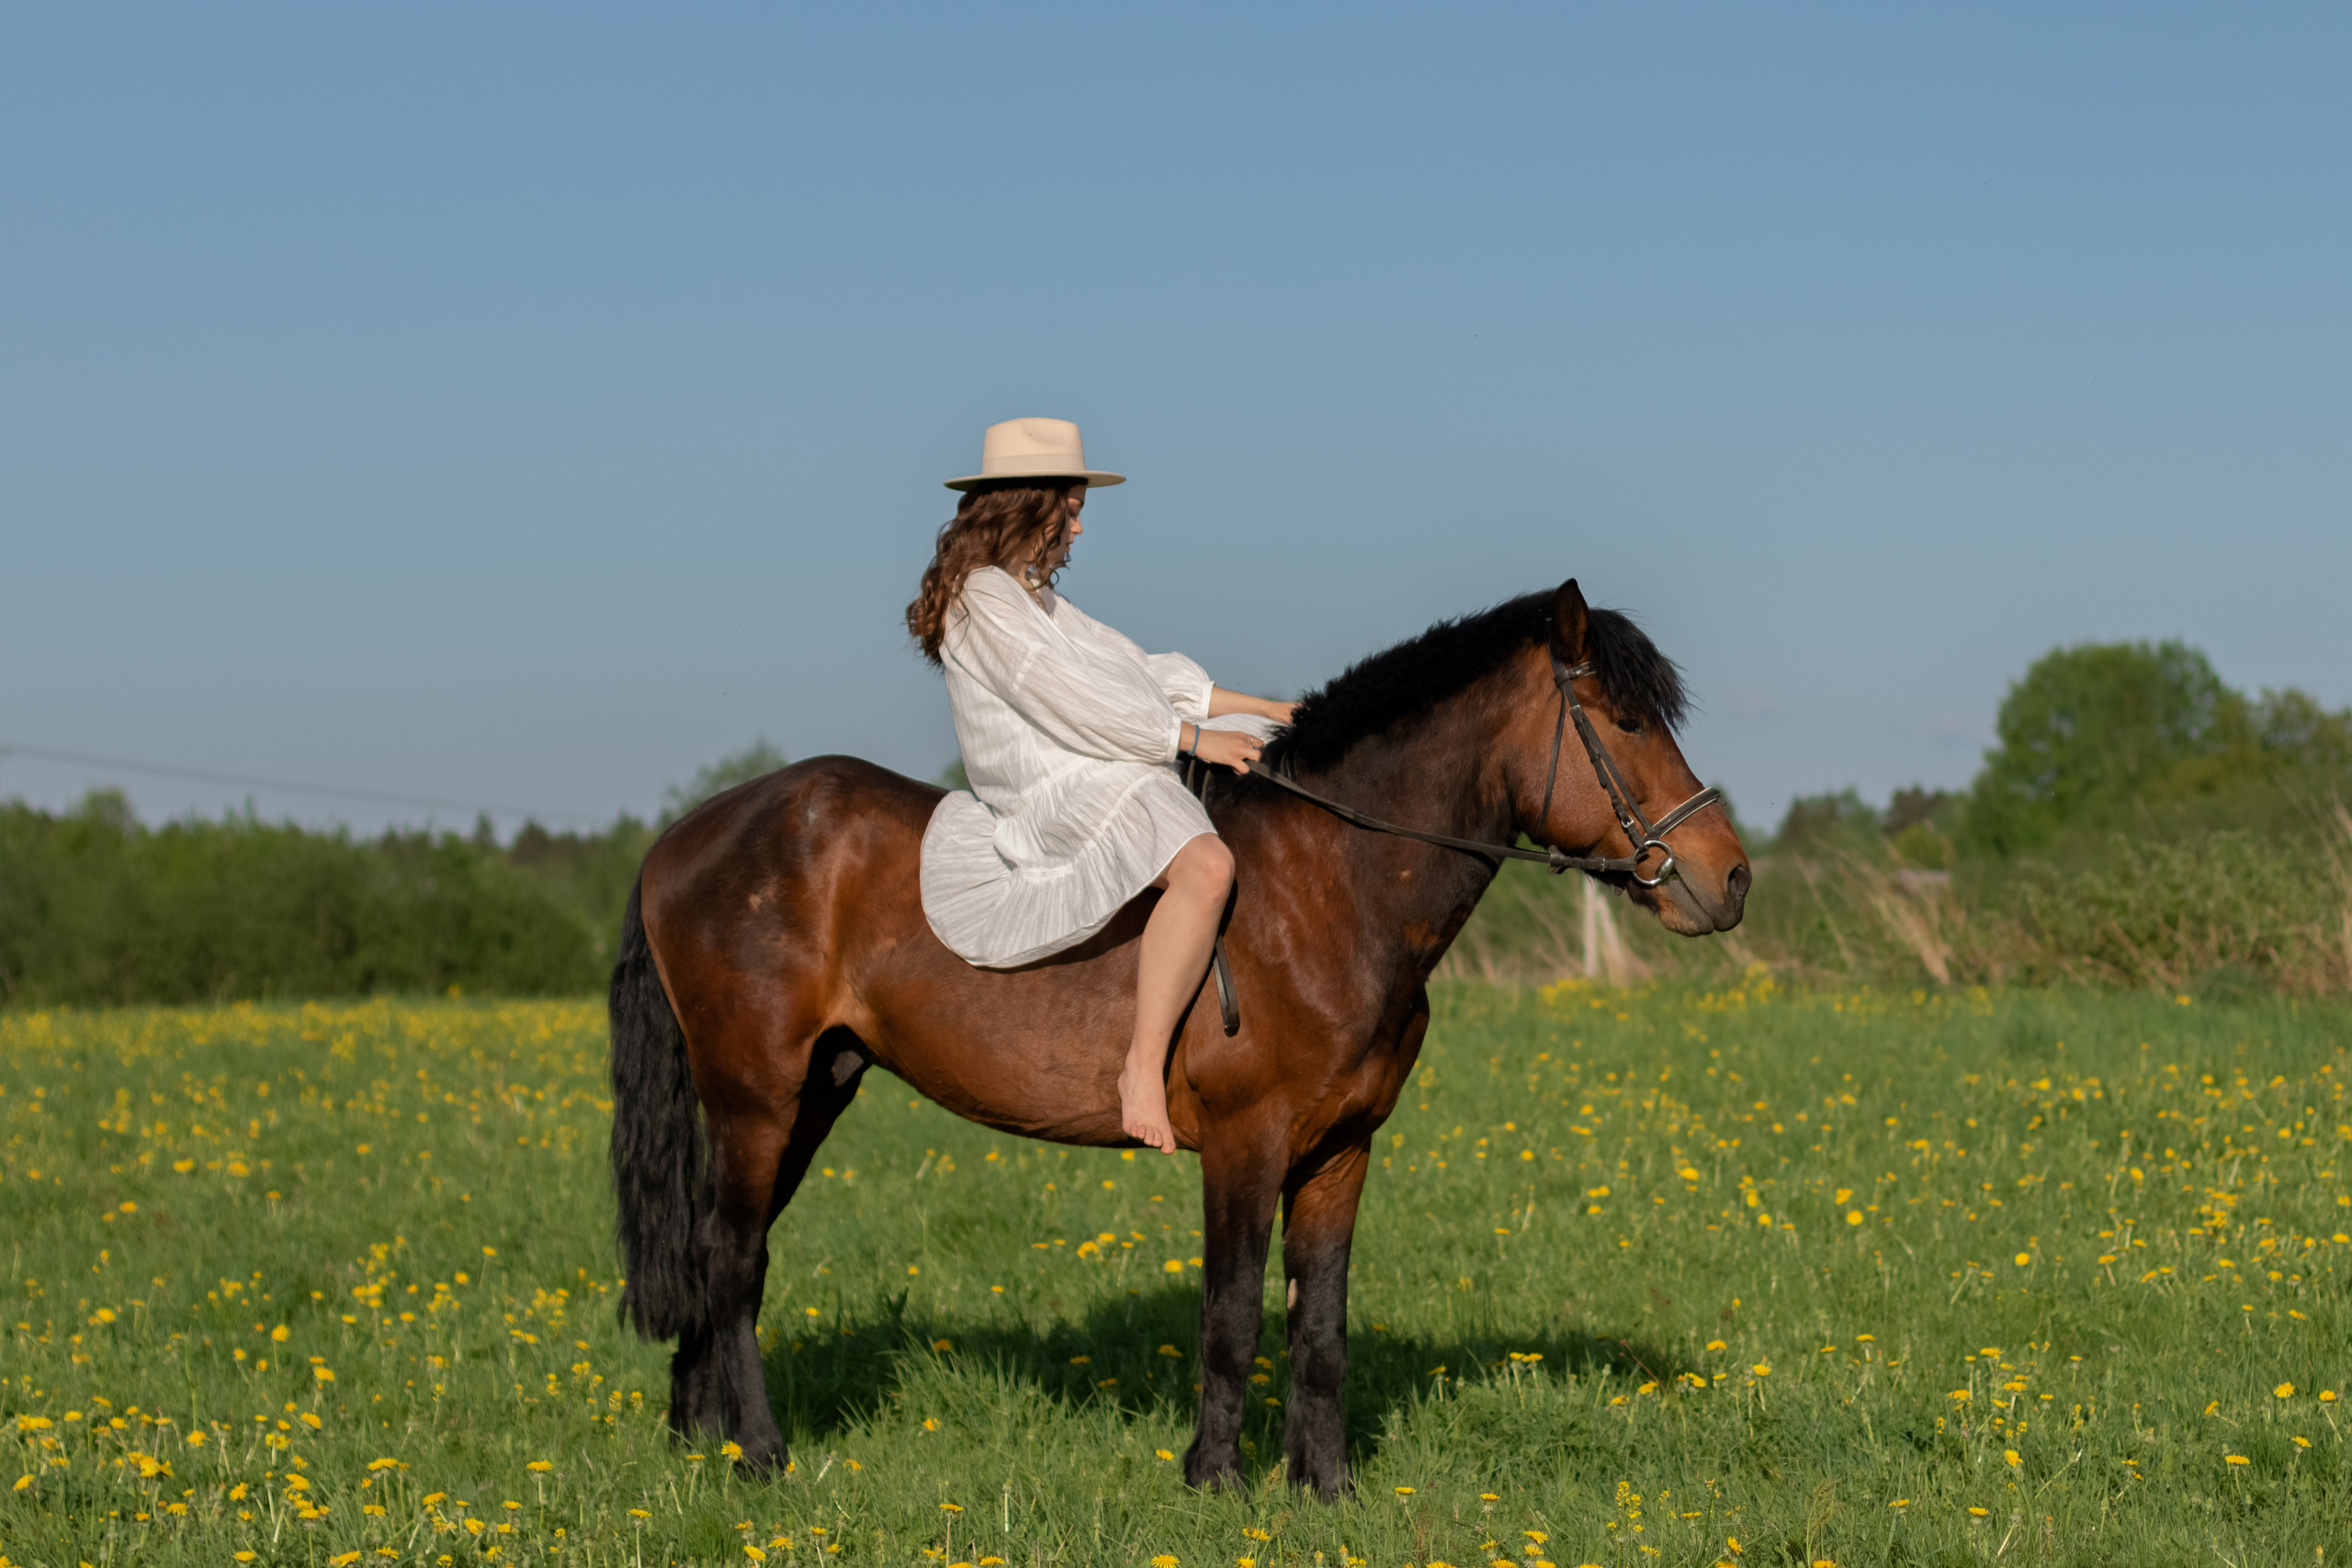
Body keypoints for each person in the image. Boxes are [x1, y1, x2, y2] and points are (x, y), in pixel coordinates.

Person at [908, 418, 1294, 1154]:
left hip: (1098, 763)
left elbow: (1142, 672)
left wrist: (1269, 709)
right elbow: (1067, 699)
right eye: (1072, 509)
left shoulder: (1036, 599)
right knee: (1208, 866)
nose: (1079, 529)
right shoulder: (982, 597)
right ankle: (1142, 1067)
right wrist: (1188, 739)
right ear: (1030, 504)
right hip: (1052, 785)